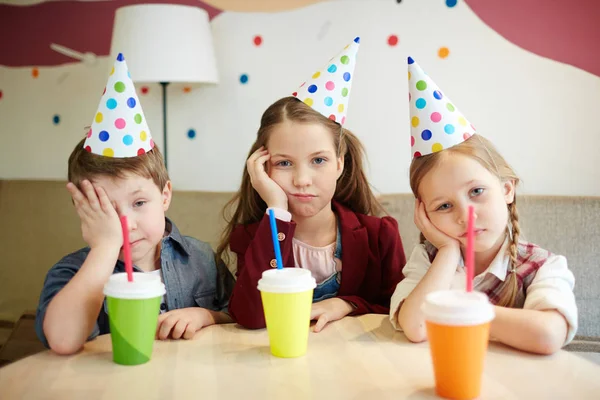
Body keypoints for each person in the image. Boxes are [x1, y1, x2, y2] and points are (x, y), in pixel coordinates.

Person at [35, 54, 235, 355]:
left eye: (139, 202)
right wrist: (104, 248)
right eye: (108, 210)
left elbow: (238, 315)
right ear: (84, 210)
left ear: (165, 195)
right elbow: (63, 340)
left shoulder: (201, 259)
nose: (125, 223)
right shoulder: (71, 273)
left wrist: (207, 316)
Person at [390, 57, 577, 355]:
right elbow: (414, 326)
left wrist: (466, 312)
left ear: (506, 189)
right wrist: (449, 252)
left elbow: (548, 335)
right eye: (444, 206)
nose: (466, 215)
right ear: (424, 214)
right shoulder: (429, 260)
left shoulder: (541, 266)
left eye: (477, 191)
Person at [218, 38, 406, 331]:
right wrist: (277, 210)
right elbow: (251, 316)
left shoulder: (379, 236)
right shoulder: (253, 237)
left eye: (318, 160)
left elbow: (400, 308)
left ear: (340, 163)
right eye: (284, 163)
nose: (302, 180)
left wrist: (347, 303)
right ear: (263, 167)